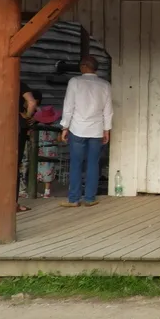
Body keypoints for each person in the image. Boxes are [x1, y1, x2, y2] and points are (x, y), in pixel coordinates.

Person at [59, 56, 112, 208]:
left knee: (76, 163)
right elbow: (108, 111)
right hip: (96, 129)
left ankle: (74, 199)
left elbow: (69, 106)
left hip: (77, 128)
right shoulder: (105, 85)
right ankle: (89, 198)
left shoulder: (75, 82)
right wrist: (106, 130)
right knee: (93, 164)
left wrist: (65, 126)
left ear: (83, 66)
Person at [0, 82, 40, 213]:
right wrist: (28, 116)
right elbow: (32, 102)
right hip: (16, 128)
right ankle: (12, 203)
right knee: (13, 165)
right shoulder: (19, 84)